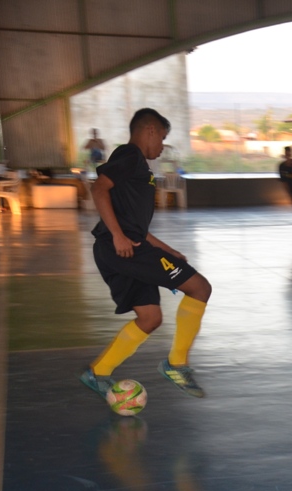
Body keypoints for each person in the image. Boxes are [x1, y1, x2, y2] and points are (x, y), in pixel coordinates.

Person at [80, 108, 212, 400]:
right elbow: (99, 189)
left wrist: (166, 249)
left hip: (123, 249)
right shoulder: (130, 156)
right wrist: (117, 236)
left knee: (150, 318)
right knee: (200, 288)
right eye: (162, 138)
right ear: (150, 129)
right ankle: (177, 364)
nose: (162, 146)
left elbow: (133, 223)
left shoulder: (135, 164)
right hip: (123, 249)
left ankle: (98, 372)